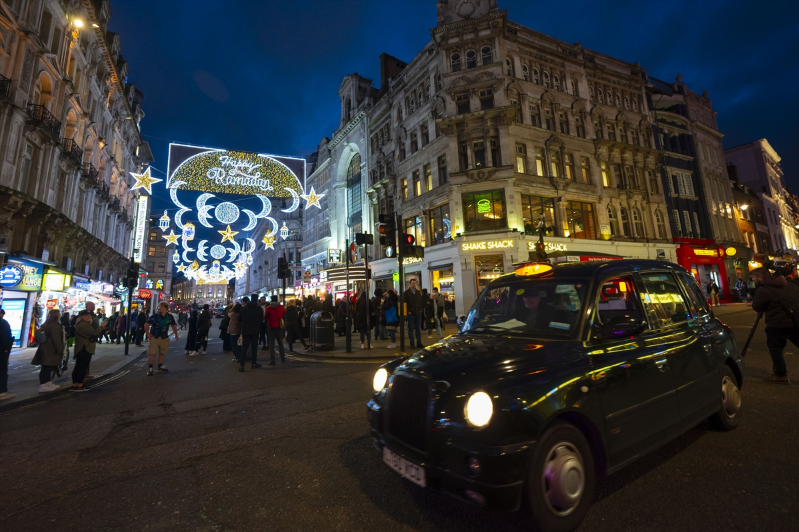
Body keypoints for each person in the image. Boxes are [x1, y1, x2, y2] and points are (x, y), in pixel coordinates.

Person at [751, 267, 798, 385]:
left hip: (777, 324)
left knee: (776, 349)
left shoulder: (764, 290)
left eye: (754, 278)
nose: (753, 280)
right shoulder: (790, 284)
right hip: (794, 321)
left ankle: (780, 375)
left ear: (760, 277)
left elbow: (757, 306)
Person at [144, 301, 179, 376]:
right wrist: (148, 333)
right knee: (152, 353)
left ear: (166, 308)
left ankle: (159, 367)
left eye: (161, 307)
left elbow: (173, 325)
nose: (160, 308)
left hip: (164, 337)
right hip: (155, 336)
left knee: (162, 353)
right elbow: (146, 324)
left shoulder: (169, 317)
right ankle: (150, 369)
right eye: (159, 307)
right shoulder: (155, 316)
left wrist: (176, 334)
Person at [35, 309, 66, 393]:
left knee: (48, 366)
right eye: (59, 314)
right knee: (47, 367)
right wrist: (60, 350)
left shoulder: (47, 323)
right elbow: (56, 339)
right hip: (51, 349)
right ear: (57, 315)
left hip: (47, 348)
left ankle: (47, 383)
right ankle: (44, 385)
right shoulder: (54, 325)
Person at [71, 310, 100, 391]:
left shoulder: (81, 324)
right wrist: (102, 326)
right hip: (84, 348)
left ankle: (75, 383)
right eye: (86, 315)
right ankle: (80, 384)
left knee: (78, 366)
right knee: (82, 366)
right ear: (82, 316)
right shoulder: (84, 325)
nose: (88, 317)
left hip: (81, 347)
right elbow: (94, 332)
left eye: (90, 316)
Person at [238, 296, 263, 371]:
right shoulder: (259, 308)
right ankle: (253, 363)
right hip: (255, 330)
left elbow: (239, 319)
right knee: (254, 348)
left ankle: (242, 366)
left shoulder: (243, 308)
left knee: (244, 348)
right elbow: (261, 320)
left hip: (245, 330)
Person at [402, 278, 424, 349]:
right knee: (410, 329)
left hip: (418, 313)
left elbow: (421, 302)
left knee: (418, 328)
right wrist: (408, 311)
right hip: (411, 313)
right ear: (410, 284)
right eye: (413, 283)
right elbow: (404, 303)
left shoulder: (418, 292)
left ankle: (419, 342)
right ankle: (412, 343)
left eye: (415, 283)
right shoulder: (406, 293)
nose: (414, 284)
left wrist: (420, 309)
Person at [265, 295, 286, 365]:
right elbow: (284, 313)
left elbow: (266, 316)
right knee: (280, 343)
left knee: (271, 344)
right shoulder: (281, 307)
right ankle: (283, 358)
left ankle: (273, 360)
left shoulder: (268, 308)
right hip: (279, 327)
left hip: (271, 327)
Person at [0, 308, 14, 400]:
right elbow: (6, 337)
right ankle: (2, 392)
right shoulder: (3, 323)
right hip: (1, 351)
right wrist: (6, 349)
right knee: (2, 371)